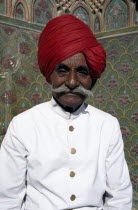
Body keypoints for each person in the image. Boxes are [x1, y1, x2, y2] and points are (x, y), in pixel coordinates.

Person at [0, 14, 132, 210]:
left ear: (92, 79)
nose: (71, 82)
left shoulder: (107, 125)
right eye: (62, 71)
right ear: (49, 75)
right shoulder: (23, 125)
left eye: (82, 72)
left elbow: (119, 197)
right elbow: (8, 199)